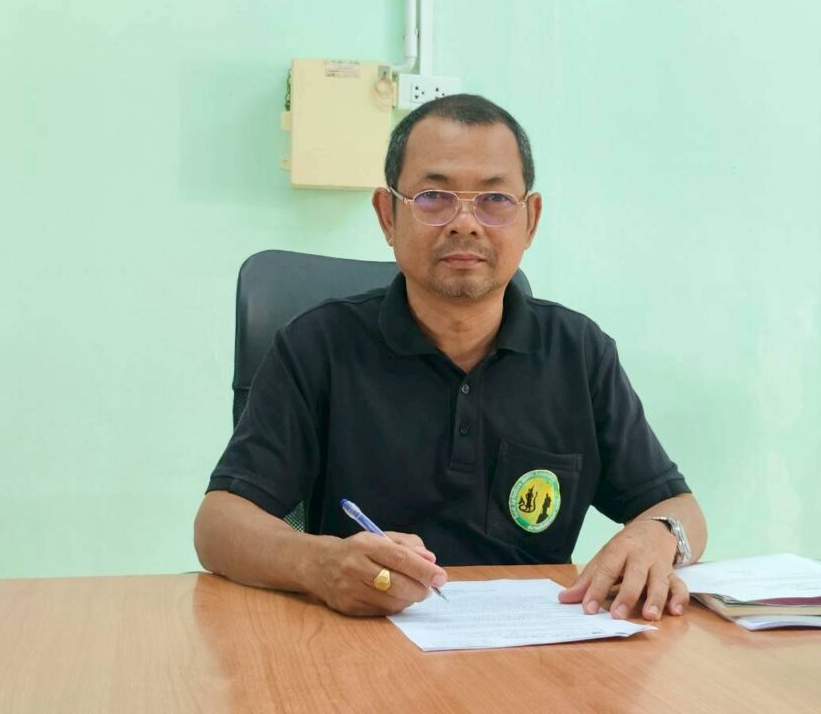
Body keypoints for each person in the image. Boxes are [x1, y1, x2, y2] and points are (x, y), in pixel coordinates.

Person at [194, 94, 707, 620]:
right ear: (387, 215)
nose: (465, 222)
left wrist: (659, 533)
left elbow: (677, 506)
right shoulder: (317, 345)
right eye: (433, 197)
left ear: (530, 220)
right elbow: (219, 523)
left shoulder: (579, 352)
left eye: (494, 199)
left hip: (534, 648)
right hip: (363, 641)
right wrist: (319, 563)